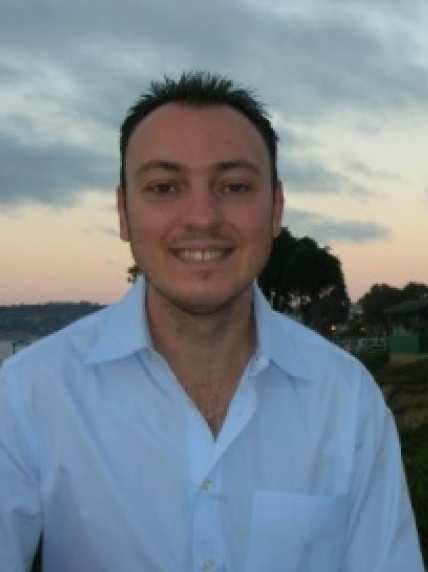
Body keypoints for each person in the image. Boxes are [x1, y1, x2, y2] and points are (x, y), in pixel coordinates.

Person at [0, 72, 424, 572]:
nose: (201, 217)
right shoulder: (28, 396)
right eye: (164, 187)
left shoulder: (347, 400)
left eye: (234, 186)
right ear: (123, 211)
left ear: (276, 208)